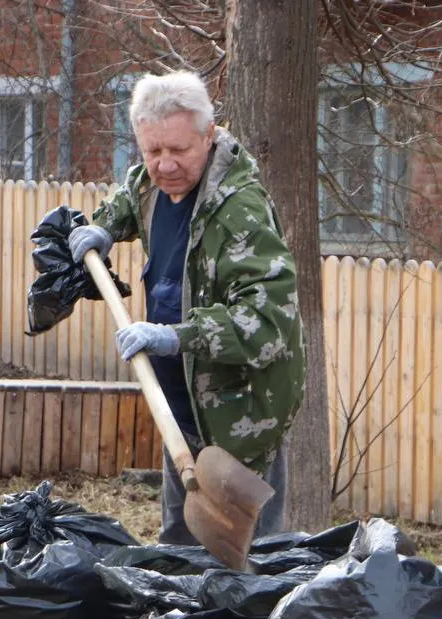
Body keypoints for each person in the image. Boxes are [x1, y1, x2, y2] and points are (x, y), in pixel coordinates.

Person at [68, 70, 304, 544]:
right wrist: (105, 229)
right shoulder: (151, 185)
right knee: (179, 550)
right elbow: (131, 194)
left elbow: (268, 321)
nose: (166, 164)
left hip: (240, 419)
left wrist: (177, 335)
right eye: (153, 151)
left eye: (179, 150)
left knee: (245, 562)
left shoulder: (240, 212)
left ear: (208, 136)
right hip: (179, 409)